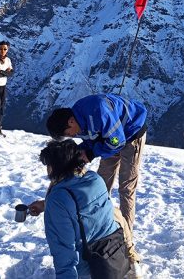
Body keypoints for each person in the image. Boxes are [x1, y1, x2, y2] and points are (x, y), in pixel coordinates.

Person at [46, 94, 147, 255]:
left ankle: (126, 238)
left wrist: (92, 153)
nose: (71, 136)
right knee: (101, 184)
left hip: (131, 134)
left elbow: (117, 142)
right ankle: (98, 227)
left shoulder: (99, 111)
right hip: (108, 139)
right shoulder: (78, 121)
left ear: (70, 121)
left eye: (68, 133)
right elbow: (93, 139)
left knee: (126, 188)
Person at [29, 140, 129, 279]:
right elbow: (80, 204)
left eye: (49, 165)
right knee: (115, 212)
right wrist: (45, 205)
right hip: (113, 253)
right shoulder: (94, 178)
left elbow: (63, 250)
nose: (47, 169)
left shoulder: (57, 199)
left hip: (88, 265)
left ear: (56, 167)